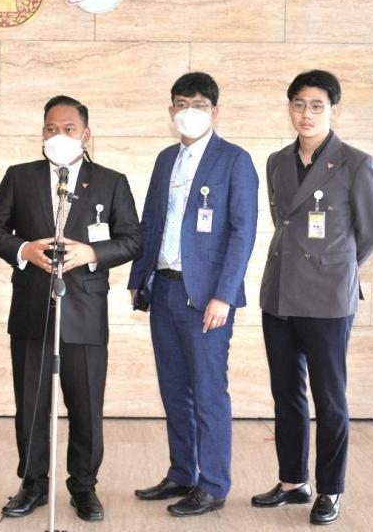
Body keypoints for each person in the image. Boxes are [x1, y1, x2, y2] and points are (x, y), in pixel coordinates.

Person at [0, 95, 141, 522]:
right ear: (42, 133)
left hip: (85, 312)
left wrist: (92, 253)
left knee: (86, 406)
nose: (59, 135)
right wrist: (24, 250)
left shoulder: (111, 182)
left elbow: (132, 240)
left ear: (86, 134)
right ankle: (32, 484)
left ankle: (84, 487)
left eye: (69, 129)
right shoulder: (20, 177)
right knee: (31, 404)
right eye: (51, 128)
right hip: (32, 308)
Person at [252, 70, 373, 525]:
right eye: (298, 104)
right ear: (289, 108)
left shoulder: (356, 163)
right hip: (280, 293)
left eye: (316, 106)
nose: (305, 114)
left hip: (328, 299)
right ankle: (293, 482)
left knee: (330, 399)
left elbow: (370, 233)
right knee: (286, 394)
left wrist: (332, 268)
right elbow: (283, 223)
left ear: (332, 110)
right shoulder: (276, 161)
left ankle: (330, 489)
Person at [128, 72, 259, 517]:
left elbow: (242, 233)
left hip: (206, 298)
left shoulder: (234, 160)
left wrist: (224, 295)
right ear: (171, 111)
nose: (189, 112)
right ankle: (182, 472)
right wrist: (138, 278)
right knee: (173, 389)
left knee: (208, 393)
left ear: (214, 112)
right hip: (163, 288)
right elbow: (150, 221)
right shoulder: (166, 158)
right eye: (181, 104)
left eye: (199, 105)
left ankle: (214, 484)